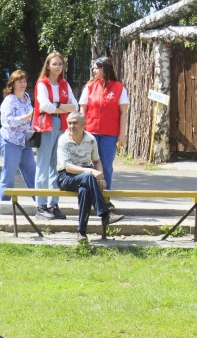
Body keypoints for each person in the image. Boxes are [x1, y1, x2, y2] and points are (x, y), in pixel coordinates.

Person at [56, 112, 124, 242]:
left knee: (85, 190)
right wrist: (91, 172)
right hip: (66, 177)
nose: (71, 126)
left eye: (75, 122)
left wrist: (101, 178)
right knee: (88, 176)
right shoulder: (63, 140)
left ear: (83, 125)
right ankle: (105, 213)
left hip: (86, 178)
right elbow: (68, 167)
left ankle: (81, 232)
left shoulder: (91, 139)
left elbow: (97, 161)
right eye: (69, 123)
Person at [79, 56, 129, 208]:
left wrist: (122, 134)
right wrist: (81, 132)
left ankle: (105, 197)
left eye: (96, 67)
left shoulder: (119, 87)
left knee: (106, 165)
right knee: (90, 166)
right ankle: (90, 197)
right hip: (90, 131)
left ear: (105, 68)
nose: (94, 71)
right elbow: (83, 109)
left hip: (110, 133)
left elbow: (123, 112)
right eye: (93, 68)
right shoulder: (89, 87)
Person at [33, 52, 77, 220]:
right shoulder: (42, 84)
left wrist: (56, 107)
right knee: (43, 165)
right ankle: (40, 205)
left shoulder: (64, 84)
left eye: (60, 64)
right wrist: (62, 107)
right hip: (47, 126)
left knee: (58, 166)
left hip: (62, 125)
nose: (58, 67)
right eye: (55, 64)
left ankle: (53, 204)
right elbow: (44, 106)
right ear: (48, 66)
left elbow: (75, 106)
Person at [0, 69, 35, 201]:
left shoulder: (27, 97)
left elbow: (31, 119)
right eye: (20, 82)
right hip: (10, 141)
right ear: (13, 84)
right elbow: (7, 122)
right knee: (9, 173)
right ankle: (5, 205)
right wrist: (27, 117)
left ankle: (40, 204)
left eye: (24, 81)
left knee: (32, 172)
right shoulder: (9, 100)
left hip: (26, 141)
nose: (23, 84)